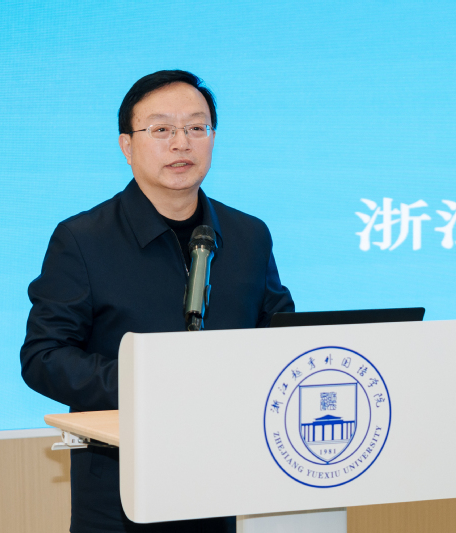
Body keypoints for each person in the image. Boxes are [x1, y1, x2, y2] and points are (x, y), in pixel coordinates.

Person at [20, 70, 295, 533]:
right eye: (162, 129)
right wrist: (150, 384)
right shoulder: (83, 239)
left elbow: (278, 334)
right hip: (120, 491)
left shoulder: (248, 235)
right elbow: (44, 357)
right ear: (127, 146)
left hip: (221, 474)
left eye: (196, 127)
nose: (181, 143)